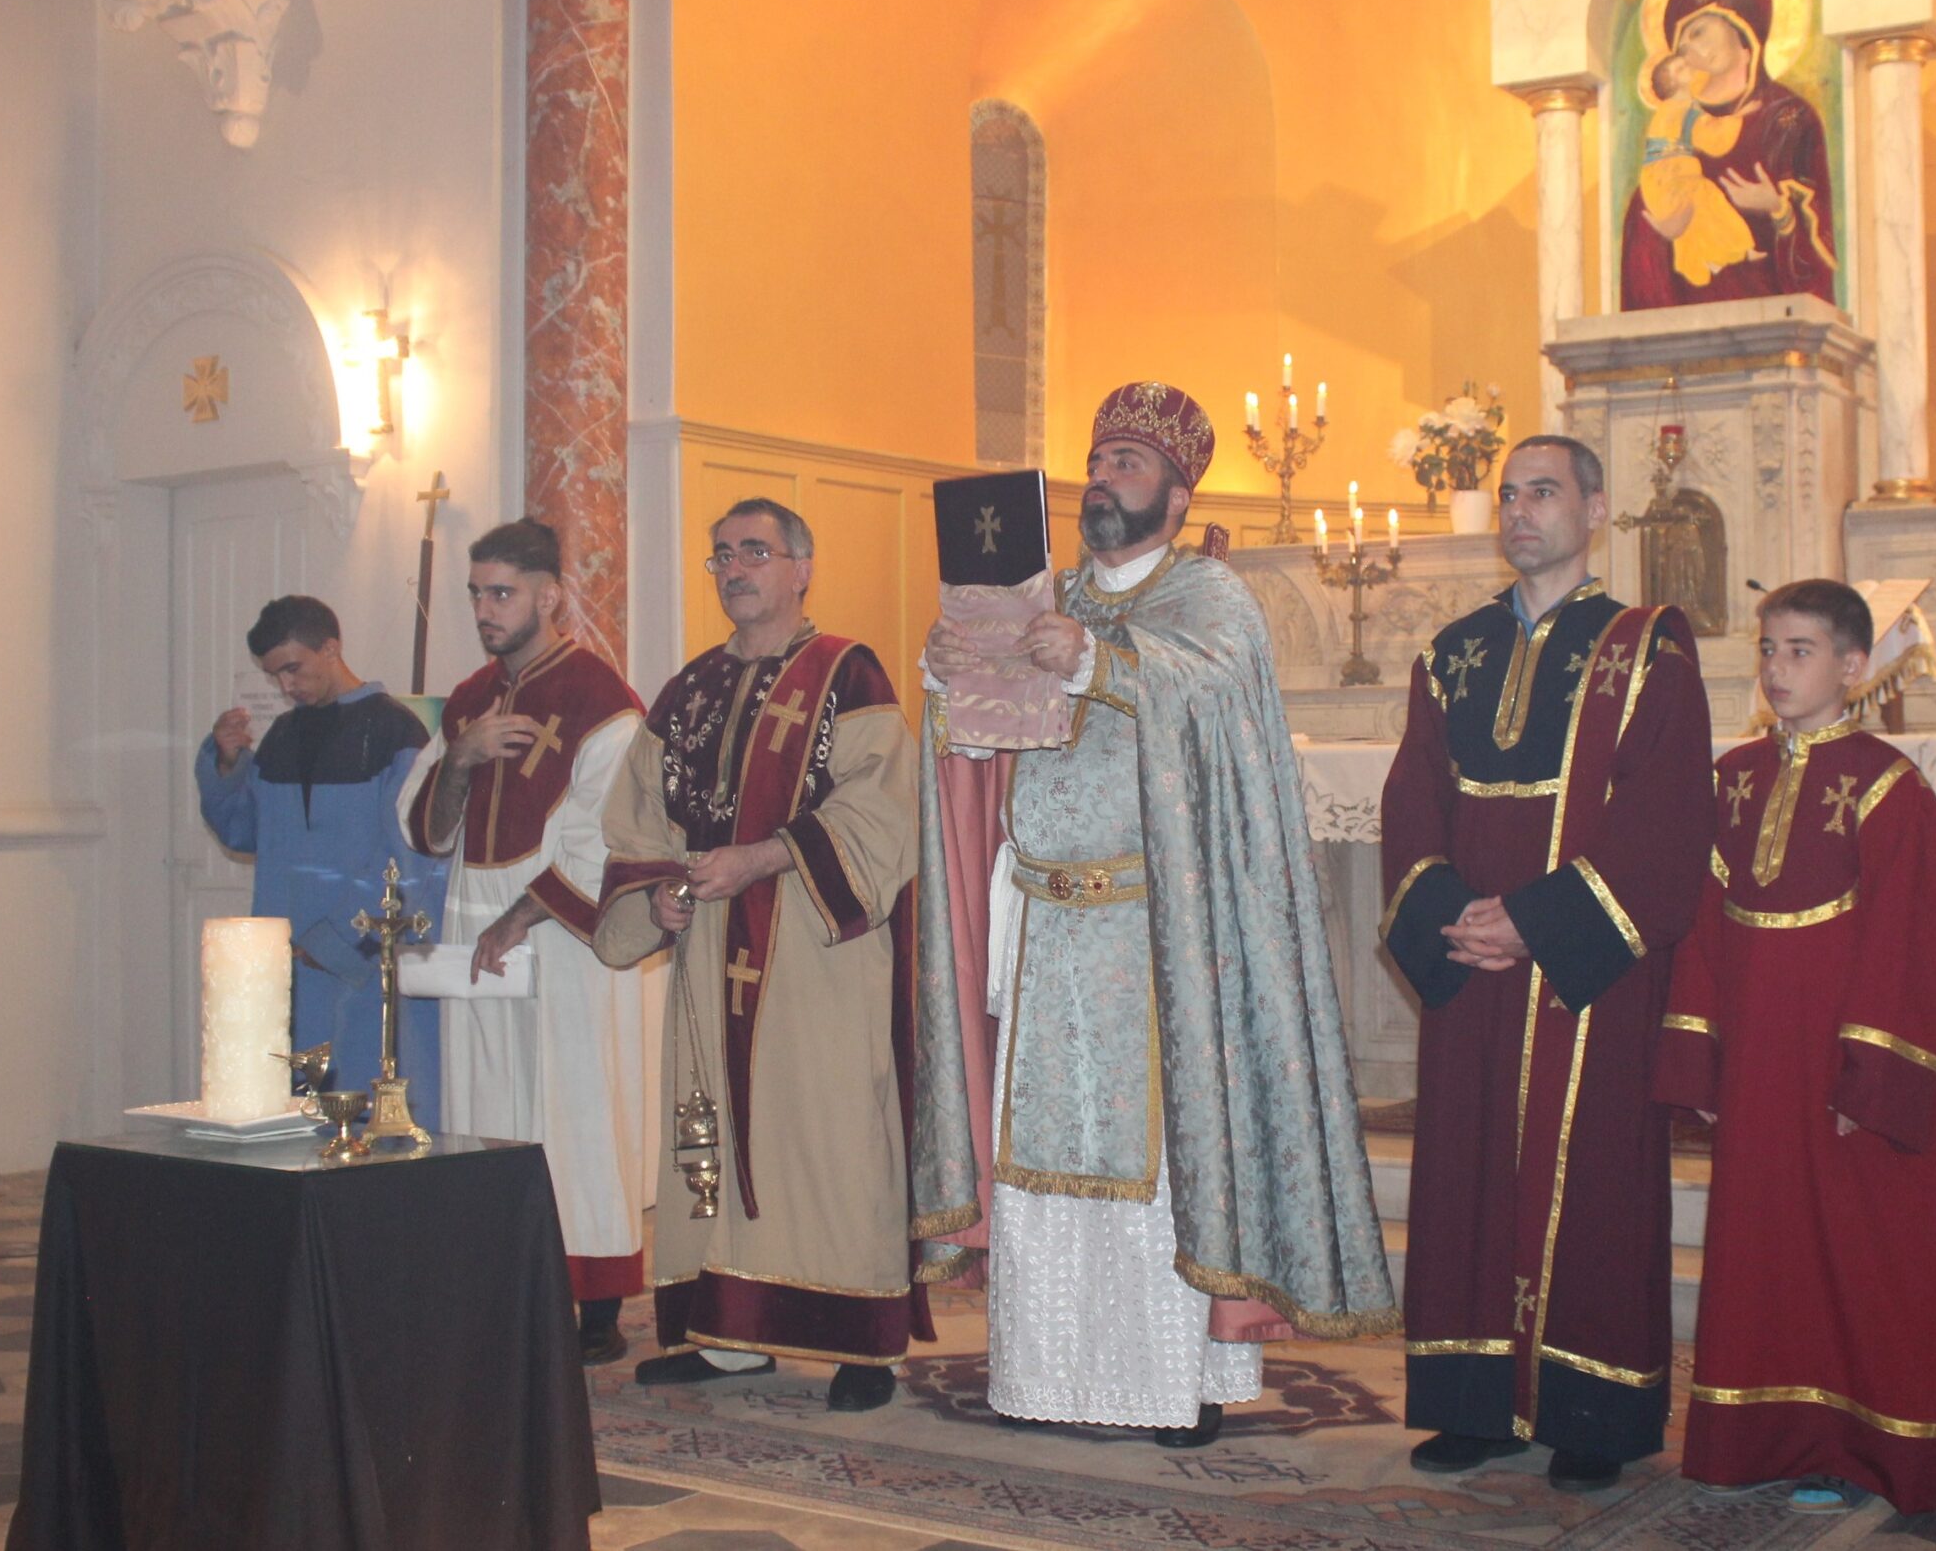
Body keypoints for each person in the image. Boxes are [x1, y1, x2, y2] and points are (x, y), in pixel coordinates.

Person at [910, 382, 1398, 1448]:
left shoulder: (1209, 596)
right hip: (1046, 927)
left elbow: (1215, 700)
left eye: (1128, 465)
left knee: (1165, 1164)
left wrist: (1094, 663)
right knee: (1040, 1155)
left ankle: (1177, 1382)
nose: (1104, 481)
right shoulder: (1049, 596)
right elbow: (988, 743)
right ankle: (1045, 1372)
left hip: (1161, 935)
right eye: (1098, 460)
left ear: (1178, 496)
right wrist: (952, 684)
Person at [1378, 435, 1713, 1491]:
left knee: (1595, 1173)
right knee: (1468, 1166)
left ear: (1596, 508)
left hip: (1584, 966)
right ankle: (1473, 1400)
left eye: (1544, 491)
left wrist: (1540, 922)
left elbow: (1667, 816)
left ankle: (1590, 1407)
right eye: (1508, 494)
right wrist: (1450, 917)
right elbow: (1410, 798)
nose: (1520, 510)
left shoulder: (1647, 644)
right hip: (1471, 956)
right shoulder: (1453, 649)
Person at [594, 499, 924, 1413]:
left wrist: (761, 858)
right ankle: (729, 1333)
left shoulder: (847, 674)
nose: (735, 567)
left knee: (832, 1131)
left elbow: (881, 810)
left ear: (801, 567)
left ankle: (865, 1337)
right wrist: (656, 895)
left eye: (755, 551)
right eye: (720, 555)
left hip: (817, 944)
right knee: (713, 1132)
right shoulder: (685, 691)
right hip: (707, 950)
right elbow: (637, 824)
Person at [1654, 579, 1936, 1516]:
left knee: (1851, 1249)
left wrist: (1866, 1068)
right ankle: (1754, 1440)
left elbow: (1901, 941)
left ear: (1854, 667)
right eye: (1768, 649)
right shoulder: (1732, 775)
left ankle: (1853, 1449)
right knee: (1762, 1248)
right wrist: (1700, 1052)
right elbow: (1702, 921)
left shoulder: (1891, 787)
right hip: (1756, 1059)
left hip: (1836, 1061)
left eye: (1800, 651)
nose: (1777, 669)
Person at [399, 519, 649, 1365]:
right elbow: (430, 833)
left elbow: (606, 833)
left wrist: (519, 917)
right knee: (487, 1101)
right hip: (476, 915)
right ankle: (503, 1277)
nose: (484, 609)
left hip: (562, 930)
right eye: (475, 593)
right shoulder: (467, 699)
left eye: (501, 592)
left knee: (573, 1103)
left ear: (548, 595)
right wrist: (460, 759)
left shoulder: (598, 699)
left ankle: (596, 1302)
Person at [196, 595, 444, 1128]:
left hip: (362, 970)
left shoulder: (396, 732)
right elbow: (243, 831)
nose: (285, 687)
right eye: (274, 676)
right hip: (289, 966)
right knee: (296, 1119)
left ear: (330, 648)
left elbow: (413, 859)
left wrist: (339, 942)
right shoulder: (283, 736)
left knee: (368, 1120)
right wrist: (225, 761)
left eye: (293, 669)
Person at [1620, 0, 1837, 310]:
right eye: (1680, 43)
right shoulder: (1675, 127)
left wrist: (1778, 211)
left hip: (1774, 333)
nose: (1688, 48)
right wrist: (1659, 231)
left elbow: (1824, 252)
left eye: (1698, 31)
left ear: (1743, 30)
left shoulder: (1789, 120)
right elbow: (1647, 221)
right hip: (1682, 337)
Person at [1638, 48, 1761, 290]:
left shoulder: (1679, 107)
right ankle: (1730, 252)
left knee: (1702, 212)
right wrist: (1740, 117)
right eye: (1681, 69)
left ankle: (1716, 259)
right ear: (1671, 82)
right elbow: (1711, 137)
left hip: (1671, 178)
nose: (1689, 70)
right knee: (1706, 201)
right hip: (1668, 180)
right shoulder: (1681, 109)